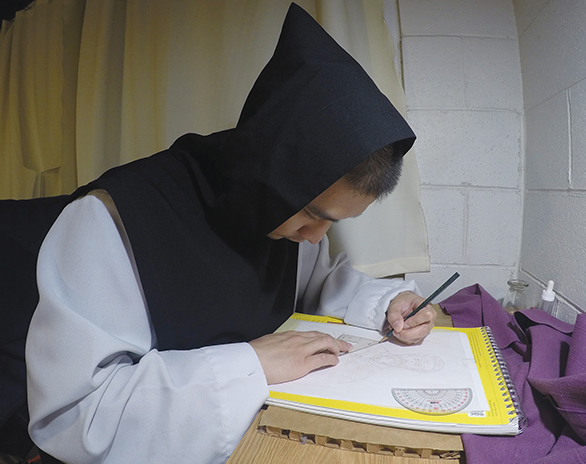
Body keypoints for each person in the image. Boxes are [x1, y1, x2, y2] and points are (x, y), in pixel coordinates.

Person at [25, 4, 436, 463]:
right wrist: (250, 364)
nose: (316, 238)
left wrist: (388, 305)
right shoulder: (109, 221)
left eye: (333, 224)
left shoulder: (280, 214)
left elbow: (318, 283)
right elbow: (76, 416)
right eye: (312, 214)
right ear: (272, 176)